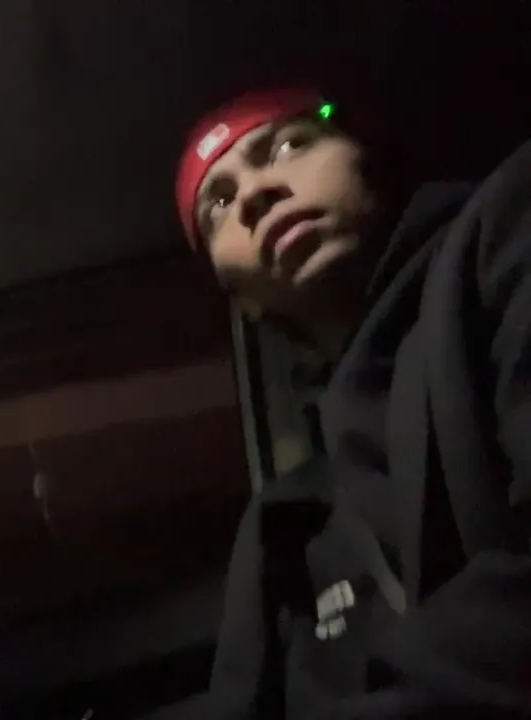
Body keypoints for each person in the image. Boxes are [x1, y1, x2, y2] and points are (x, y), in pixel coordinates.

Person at [172, 87, 531, 718]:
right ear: (242, 302)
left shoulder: (507, 232)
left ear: (372, 162)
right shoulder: (286, 525)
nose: (253, 195)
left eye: (288, 146)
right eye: (218, 204)